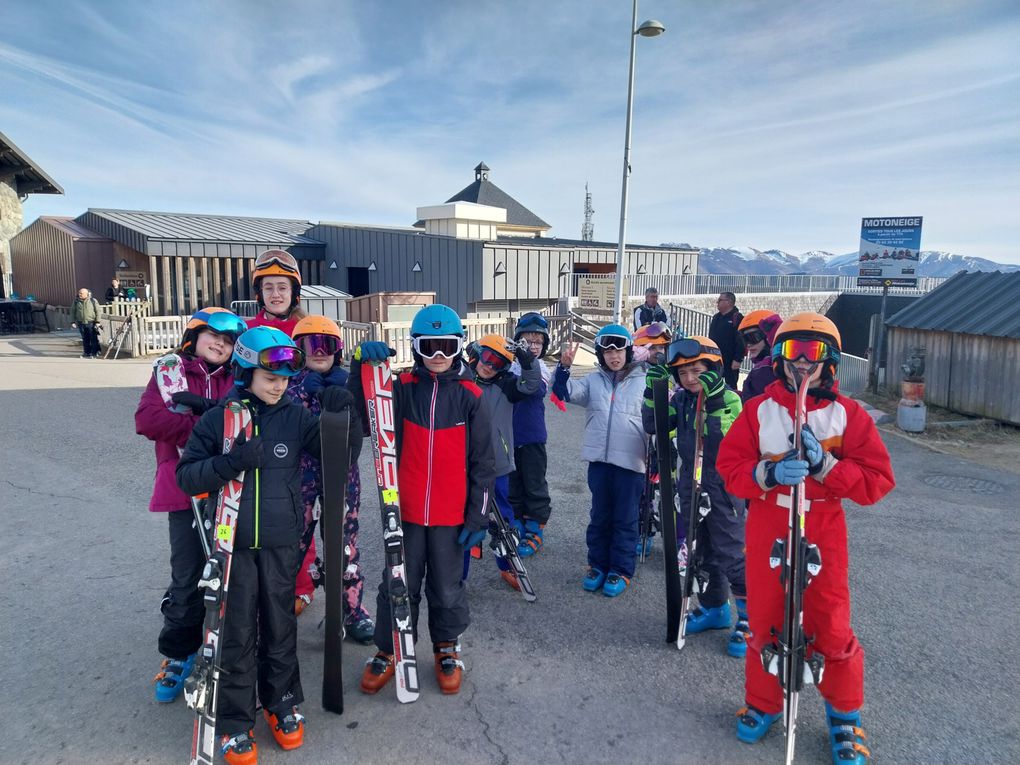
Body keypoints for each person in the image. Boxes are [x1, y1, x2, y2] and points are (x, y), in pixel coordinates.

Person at [716, 313, 895, 764]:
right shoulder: (759, 409)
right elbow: (730, 468)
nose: (801, 362)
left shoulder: (847, 414)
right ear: (779, 357)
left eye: (812, 353)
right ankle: (764, 702)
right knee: (766, 615)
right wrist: (769, 472)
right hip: (769, 522)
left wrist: (828, 469)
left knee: (829, 622)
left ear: (829, 360)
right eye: (793, 351)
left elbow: (877, 480)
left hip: (822, 525)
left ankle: (844, 716)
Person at [177, 326, 359, 763]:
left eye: (283, 378)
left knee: (280, 628)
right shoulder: (218, 418)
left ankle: (281, 703)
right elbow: (187, 477)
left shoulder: (295, 416)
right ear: (245, 372)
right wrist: (230, 462)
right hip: (233, 548)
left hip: (281, 544)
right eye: (269, 377)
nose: (278, 386)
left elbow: (339, 458)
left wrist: (341, 416)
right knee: (237, 633)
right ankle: (236, 721)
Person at [349, 304, 496, 696]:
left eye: (445, 347)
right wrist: (361, 369)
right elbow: (366, 418)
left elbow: (485, 464)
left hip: (451, 516)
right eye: (428, 347)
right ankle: (390, 646)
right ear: (415, 347)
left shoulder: (471, 397)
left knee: (447, 586)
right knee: (399, 582)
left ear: (458, 348)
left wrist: (478, 519)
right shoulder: (402, 389)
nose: (437, 357)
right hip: (407, 512)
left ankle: (446, 646)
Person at [135, 307, 246, 703]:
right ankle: (179, 654)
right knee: (187, 574)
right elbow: (148, 420)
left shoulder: (239, 377)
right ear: (194, 337)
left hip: (230, 492)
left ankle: (223, 645)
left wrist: (202, 419)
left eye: (229, 340)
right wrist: (205, 428)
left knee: (228, 572)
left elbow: (246, 427)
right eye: (212, 335)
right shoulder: (173, 374)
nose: (220, 343)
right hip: (184, 493)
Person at [643, 336, 748, 656]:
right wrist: (654, 393)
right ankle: (715, 608)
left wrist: (713, 402)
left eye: (697, 371)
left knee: (731, 551)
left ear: (714, 370)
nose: (689, 379)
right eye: (682, 373)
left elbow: (720, 443)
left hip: (721, 488)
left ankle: (749, 618)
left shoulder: (730, 399)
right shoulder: (681, 399)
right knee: (698, 550)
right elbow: (653, 425)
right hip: (689, 483)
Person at [285, 315, 374, 643]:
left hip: (341, 477)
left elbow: (363, 430)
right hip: (299, 478)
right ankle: (275, 610)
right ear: (298, 350)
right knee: (292, 544)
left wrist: (355, 385)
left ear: (338, 350)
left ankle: (352, 611)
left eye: (328, 345)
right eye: (311, 345)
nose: (319, 351)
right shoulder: (289, 384)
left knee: (344, 548)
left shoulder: (346, 383)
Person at [552, 324, 647, 597]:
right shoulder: (594, 381)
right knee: (600, 516)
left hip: (631, 464)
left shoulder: (646, 380)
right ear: (601, 355)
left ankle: (620, 569)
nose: (613, 356)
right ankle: (598, 565)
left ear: (629, 352)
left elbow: (661, 416)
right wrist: (564, 368)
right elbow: (565, 392)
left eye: (618, 351)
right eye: (607, 352)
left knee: (625, 519)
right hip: (600, 462)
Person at [465, 333, 540, 588]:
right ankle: (457, 574)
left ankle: (507, 565)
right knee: (462, 519)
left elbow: (531, 384)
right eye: (486, 358)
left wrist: (525, 357)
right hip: (465, 466)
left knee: (501, 519)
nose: (489, 366)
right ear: (476, 354)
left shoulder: (507, 385)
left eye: (498, 363)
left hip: (497, 465)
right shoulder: (462, 380)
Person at [508, 312, 555, 557]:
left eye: (538, 342)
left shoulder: (541, 367)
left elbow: (535, 390)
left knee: (534, 484)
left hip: (533, 437)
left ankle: (535, 527)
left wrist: (528, 364)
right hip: (509, 438)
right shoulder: (508, 365)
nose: (533, 347)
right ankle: (515, 523)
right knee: (513, 483)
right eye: (527, 342)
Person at [632, 321, 674, 556]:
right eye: (653, 348)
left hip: (659, 442)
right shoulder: (630, 372)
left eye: (663, 348)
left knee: (654, 489)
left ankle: (650, 530)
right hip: (635, 438)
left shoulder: (671, 373)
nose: (659, 353)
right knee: (639, 490)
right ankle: (639, 529)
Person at [246, 249, 306, 336]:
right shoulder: (246, 331)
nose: (275, 295)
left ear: (293, 293)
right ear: (260, 294)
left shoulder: (305, 332)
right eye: (269, 288)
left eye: (282, 288)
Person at [738, 310, 783, 402]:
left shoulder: (767, 368)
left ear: (768, 337)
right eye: (745, 340)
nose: (748, 345)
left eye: (753, 338)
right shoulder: (763, 367)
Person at [708, 292, 745, 389]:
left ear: (729, 302)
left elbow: (741, 341)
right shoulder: (716, 317)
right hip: (715, 358)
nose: (717, 302)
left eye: (720, 300)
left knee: (731, 385)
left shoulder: (737, 318)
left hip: (730, 359)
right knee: (714, 383)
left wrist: (738, 359)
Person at [71, 287, 101, 358]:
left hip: (91, 322)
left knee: (93, 338)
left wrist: (97, 321)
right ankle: (86, 352)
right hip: (81, 323)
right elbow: (72, 312)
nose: (79, 294)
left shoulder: (93, 301)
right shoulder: (76, 301)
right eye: (79, 293)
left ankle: (94, 352)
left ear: (86, 294)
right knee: (85, 338)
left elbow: (98, 311)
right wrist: (72, 322)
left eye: (81, 293)